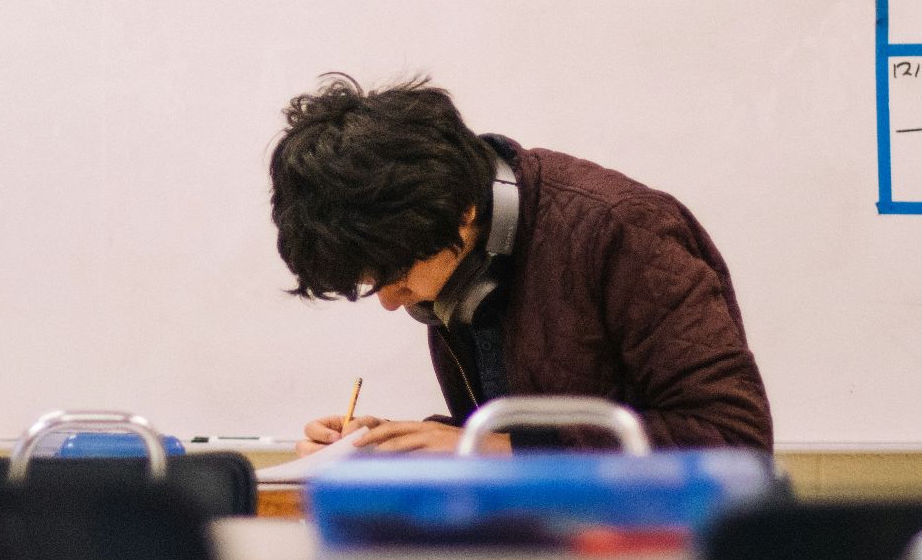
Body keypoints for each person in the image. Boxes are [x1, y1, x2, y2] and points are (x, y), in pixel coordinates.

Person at [269, 74, 771, 455]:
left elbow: (732, 438)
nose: (388, 302)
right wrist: (395, 447)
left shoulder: (623, 229)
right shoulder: (463, 257)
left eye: (395, 277)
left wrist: (494, 451)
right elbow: (527, 424)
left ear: (461, 212)